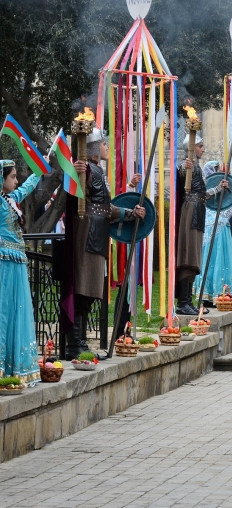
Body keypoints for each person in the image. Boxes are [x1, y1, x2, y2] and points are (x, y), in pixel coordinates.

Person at [69, 128, 145, 355]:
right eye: (103, 143)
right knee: (83, 290)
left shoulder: (98, 171)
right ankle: (75, 344)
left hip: (99, 234)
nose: (107, 147)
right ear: (92, 147)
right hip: (88, 233)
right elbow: (73, 192)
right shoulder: (86, 169)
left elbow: (106, 209)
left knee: (90, 292)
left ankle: (80, 342)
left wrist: (131, 212)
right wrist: (73, 172)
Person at [175, 131, 229, 314]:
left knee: (194, 258)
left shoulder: (197, 166)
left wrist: (217, 189)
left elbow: (202, 194)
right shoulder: (187, 164)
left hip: (198, 209)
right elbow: (183, 171)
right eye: (199, 146)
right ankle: (183, 303)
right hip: (190, 211)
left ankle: (188, 301)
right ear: (191, 148)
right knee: (187, 257)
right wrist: (185, 167)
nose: (203, 149)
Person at [0, 162, 42, 385]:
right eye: (13, 177)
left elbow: (24, 189)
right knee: (4, 311)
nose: (16, 181)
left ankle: (15, 368)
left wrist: (40, 169)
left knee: (16, 310)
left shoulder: (10, 200)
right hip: (4, 262)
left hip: (15, 261)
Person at [193, 163, 232, 304]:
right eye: (218, 170)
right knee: (212, 260)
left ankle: (219, 294)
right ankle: (208, 294)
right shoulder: (205, 189)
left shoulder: (222, 187)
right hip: (214, 229)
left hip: (220, 228)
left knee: (217, 260)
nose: (221, 173)